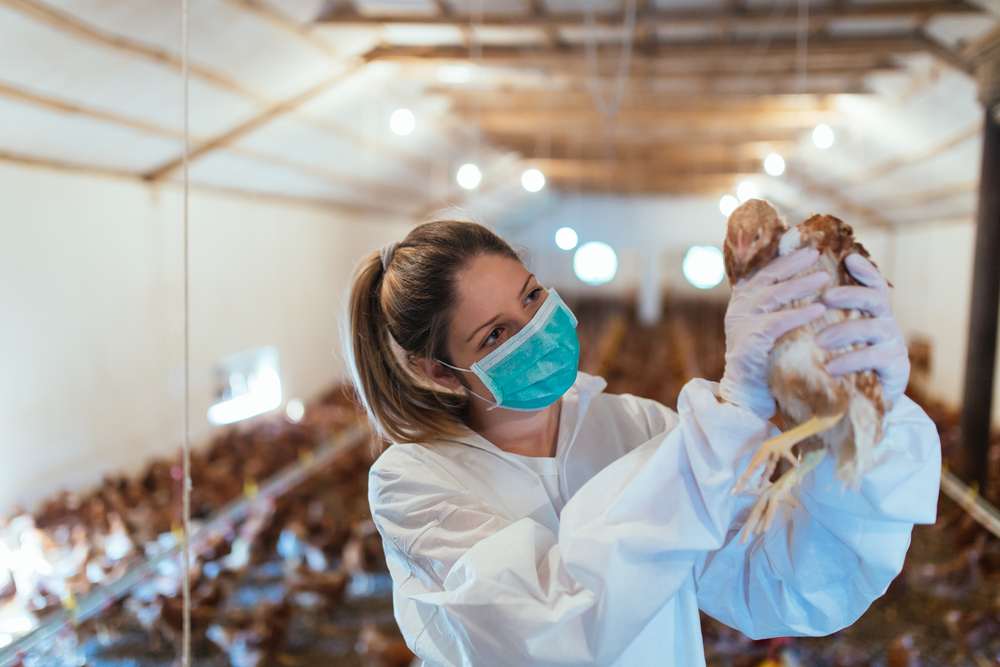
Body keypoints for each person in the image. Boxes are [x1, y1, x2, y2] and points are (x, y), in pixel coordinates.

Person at [342, 219, 940, 666]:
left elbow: (781, 585)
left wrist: (864, 422)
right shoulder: (412, 483)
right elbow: (545, 636)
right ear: (438, 372)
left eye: (530, 297)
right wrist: (733, 413)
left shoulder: (640, 428)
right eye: (496, 333)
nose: (536, 331)